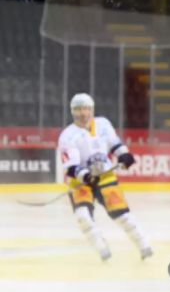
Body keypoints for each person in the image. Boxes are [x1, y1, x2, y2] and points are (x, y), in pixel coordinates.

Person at [58, 93, 152, 261]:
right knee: (83, 216)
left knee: (122, 215)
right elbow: (70, 167)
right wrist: (85, 176)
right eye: (79, 109)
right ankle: (102, 249)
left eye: (86, 108)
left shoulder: (103, 124)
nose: (83, 113)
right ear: (73, 112)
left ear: (91, 109)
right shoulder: (67, 135)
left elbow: (115, 144)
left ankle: (144, 247)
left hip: (106, 177)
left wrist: (124, 155)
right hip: (80, 183)